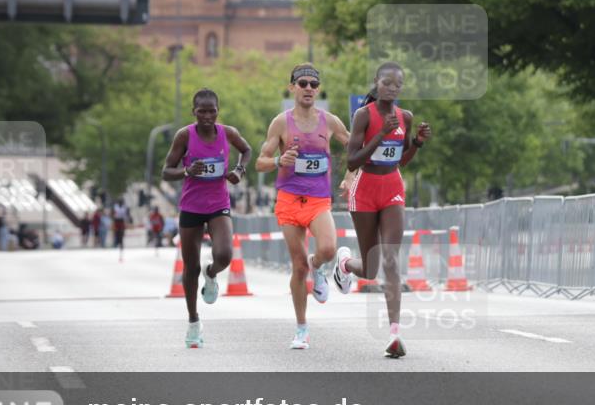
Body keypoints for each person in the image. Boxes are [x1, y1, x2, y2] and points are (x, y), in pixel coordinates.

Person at [332, 61, 431, 358]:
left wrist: (416, 143)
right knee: (371, 267)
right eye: (386, 83)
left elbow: (400, 161)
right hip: (364, 191)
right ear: (376, 83)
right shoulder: (364, 115)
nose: (392, 88)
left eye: (397, 84)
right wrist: (380, 135)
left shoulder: (406, 117)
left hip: (392, 189)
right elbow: (352, 161)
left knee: (390, 258)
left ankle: (394, 334)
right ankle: (346, 264)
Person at [255, 63, 353, 350]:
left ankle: (318, 266)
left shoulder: (330, 122)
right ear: (292, 87)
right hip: (288, 199)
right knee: (297, 266)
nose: (308, 88)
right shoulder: (281, 122)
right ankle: (301, 328)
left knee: (327, 249)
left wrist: (350, 175)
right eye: (303, 83)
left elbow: (354, 147)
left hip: (318, 199)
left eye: (313, 84)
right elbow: (260, 161)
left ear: (318, 89)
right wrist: (277, 162)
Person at [162, 87, 251, 349]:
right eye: (202, 111)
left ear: (217, 111)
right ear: (194, 112)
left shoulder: (228, 133)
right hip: (191, 206)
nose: (207, 116)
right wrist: (186, 171)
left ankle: (211, 274)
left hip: (218, 205)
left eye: (212, 111)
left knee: (224, 255)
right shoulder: (184, 136)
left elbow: (246, 150)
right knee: (189, 269)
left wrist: (239, 170)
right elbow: (166, 171)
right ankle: (193, 322)